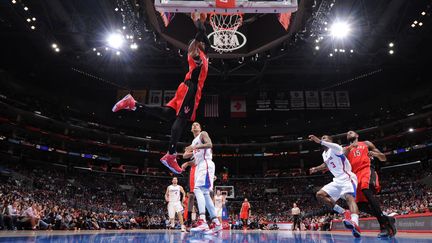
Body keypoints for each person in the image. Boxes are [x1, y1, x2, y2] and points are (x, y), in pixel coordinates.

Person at [111, 14, 211, 174]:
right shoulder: (194, 52)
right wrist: (198, 21)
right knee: (182, 119)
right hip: (190, 88)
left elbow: (206, 38)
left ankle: (132, 103)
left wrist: (202, 24)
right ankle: (171, 154)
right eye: (202, 41)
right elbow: (200, 32)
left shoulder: (205, 55)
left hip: (187, 89)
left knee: (166, 114)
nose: (205, 43)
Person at [345, 130, 397, 238]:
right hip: (354, 177)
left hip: (366, 170)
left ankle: (384, 227)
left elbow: (383, 158)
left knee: (366, 190)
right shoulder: (346, 149)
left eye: (352, 132)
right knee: (359, 205)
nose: (349, 133)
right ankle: (387, 219)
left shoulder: (366, 144)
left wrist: (375, 154)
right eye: (348, 133)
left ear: (357, 135)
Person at [309, 134, 361, 238]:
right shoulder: (324, 154)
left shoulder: (336, 148)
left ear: (330, 141)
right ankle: (344, 212)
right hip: (337, 180)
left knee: (349, 198)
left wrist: (319, 140)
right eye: (322, 138)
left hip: (347, 177)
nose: (323, 139)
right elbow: (326, 165)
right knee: (320, 194)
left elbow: (333, 146)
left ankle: (355, 224)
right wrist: (316, 168)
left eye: (325, 138)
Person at [181, 122, 222, 234]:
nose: (195, 125)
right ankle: (216, 222)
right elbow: (194, 160)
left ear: (200, 128)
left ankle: (202, 220)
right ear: (191, 129)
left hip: (206, 163)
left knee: (197, 189)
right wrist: (187, 163)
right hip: (200, 165)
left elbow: (209, 144)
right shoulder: (193, 142)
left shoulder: (203, 134)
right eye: (193, 125)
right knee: (204, 193)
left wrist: (194, 147)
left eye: (197, 124)